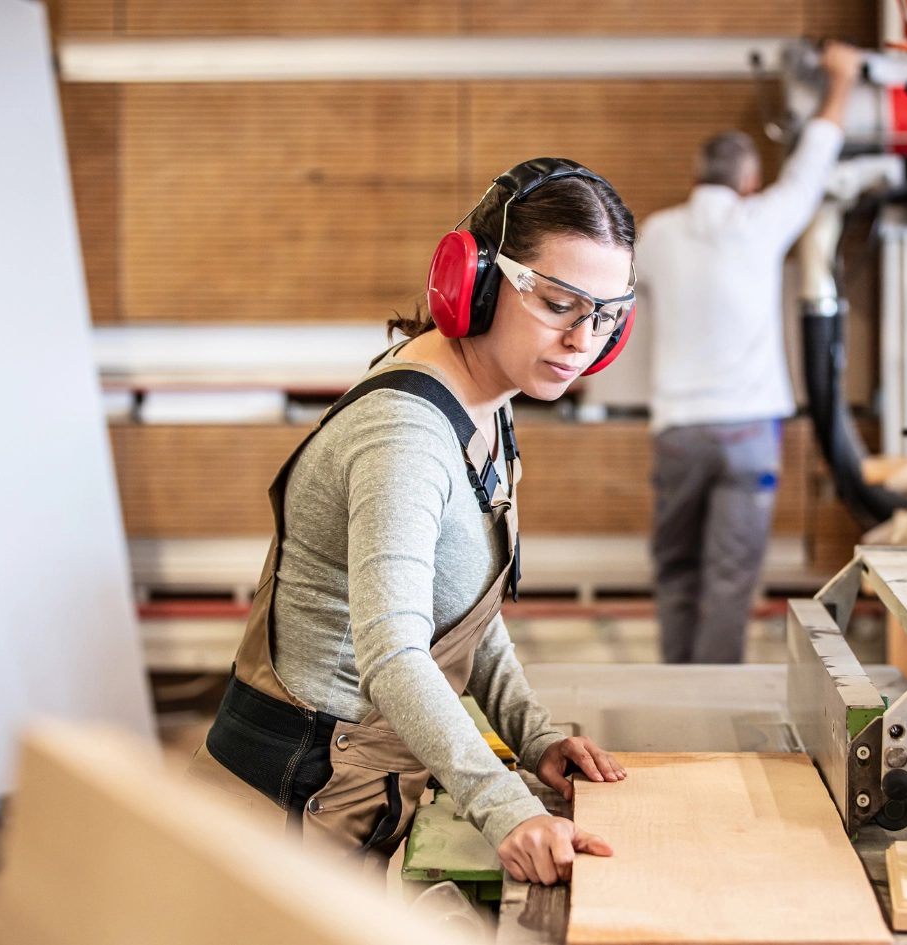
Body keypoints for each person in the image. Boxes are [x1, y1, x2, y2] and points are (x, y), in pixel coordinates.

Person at [186, 159, 637, 885]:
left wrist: (534, 734)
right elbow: (394, 654)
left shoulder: (489, 399)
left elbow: (456, 607)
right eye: (559, 303)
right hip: (281, 813)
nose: (583, 340)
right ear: (480, 282)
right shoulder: (406, 435)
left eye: (607, 315)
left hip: (341, 792)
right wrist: (506, 806)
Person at [638, 42, 860, 664]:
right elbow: (817, 156)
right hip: (748, 434)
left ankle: (676, 696)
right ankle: (713, 706)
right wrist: (841, 79)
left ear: (695, 178)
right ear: (749, 180)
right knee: (730, 581)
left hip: (678, 432)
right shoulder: (763, 220)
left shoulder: (655, 234)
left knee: (676, 570)